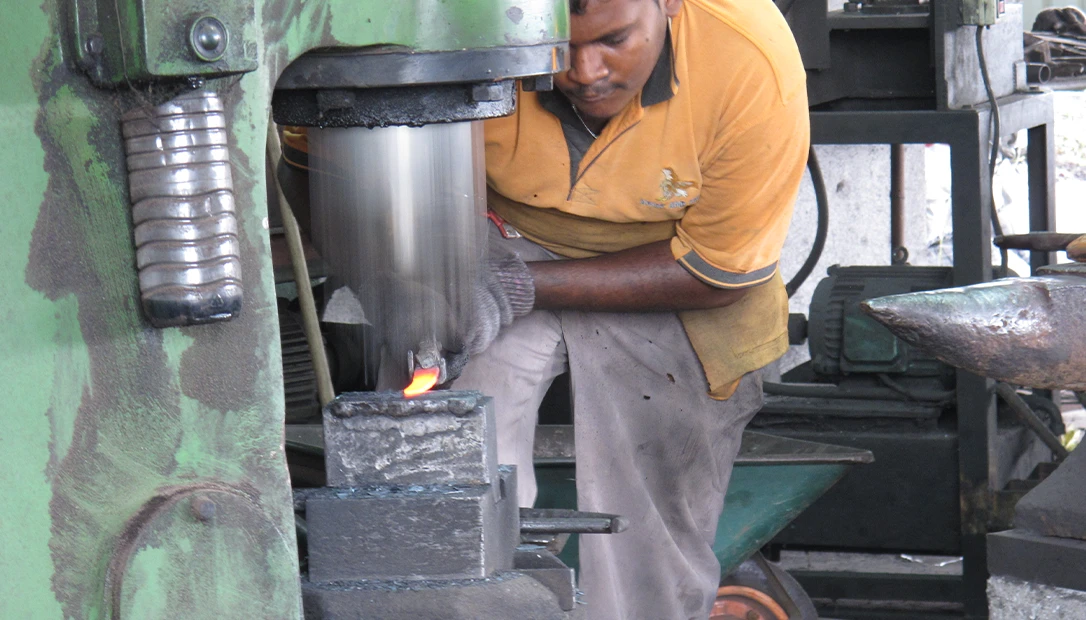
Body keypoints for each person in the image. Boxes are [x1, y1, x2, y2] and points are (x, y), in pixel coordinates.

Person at [452, 0, 809, 618]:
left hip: (677, 272)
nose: (585, 72)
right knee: (444, 447)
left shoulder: (749, 62)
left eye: (614, 39)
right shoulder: (456, 25)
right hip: (501, 234)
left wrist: (520, 289)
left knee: (648, 530)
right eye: (558, 47)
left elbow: (716, 272)